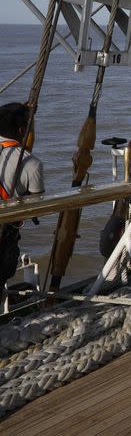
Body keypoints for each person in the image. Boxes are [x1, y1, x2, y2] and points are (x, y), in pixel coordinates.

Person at [0, 102, 44, 307]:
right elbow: (37, 204)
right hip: (4, 236)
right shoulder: (31, 163)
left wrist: (30, 117)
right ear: (21, 130)